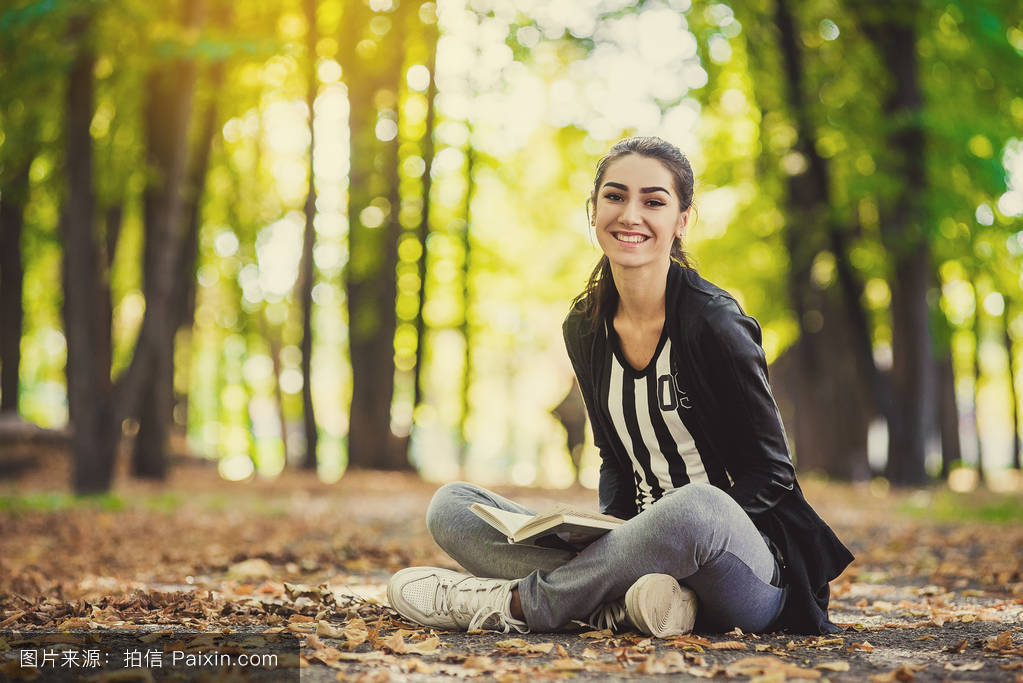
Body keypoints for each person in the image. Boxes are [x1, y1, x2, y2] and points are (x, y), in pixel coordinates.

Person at [387, 136, 853, 637]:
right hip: (634, 544)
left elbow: (774, 472)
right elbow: (613, 456)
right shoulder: (585, 328)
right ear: (593, 211)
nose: (631, 214)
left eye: (653, 201)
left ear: (682, 221)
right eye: (614, 196)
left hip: (745, 563)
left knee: (695, 507)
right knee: (454, 506)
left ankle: (528, 604)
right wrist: (614, 537)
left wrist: (664, 534)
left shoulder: (714, 324)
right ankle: (639, 602)